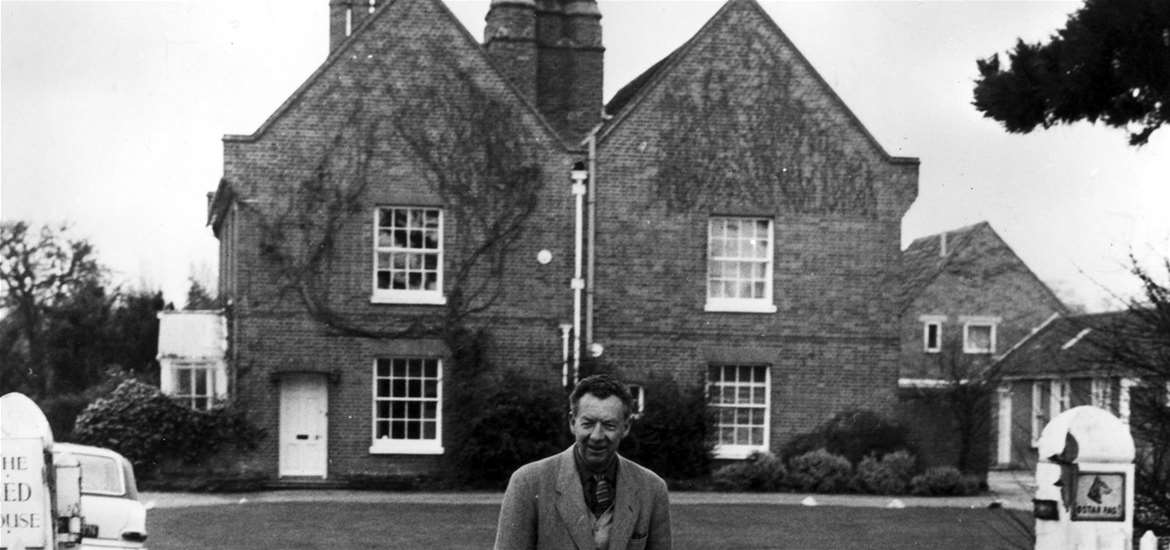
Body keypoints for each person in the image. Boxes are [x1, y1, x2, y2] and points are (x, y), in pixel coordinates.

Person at [493, 374, 671, 550]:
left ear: (625, 427)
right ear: (572, 422)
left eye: (609, 425)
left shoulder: (652, 488)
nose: (597, 436)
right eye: (588, 424)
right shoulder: (528, 483)